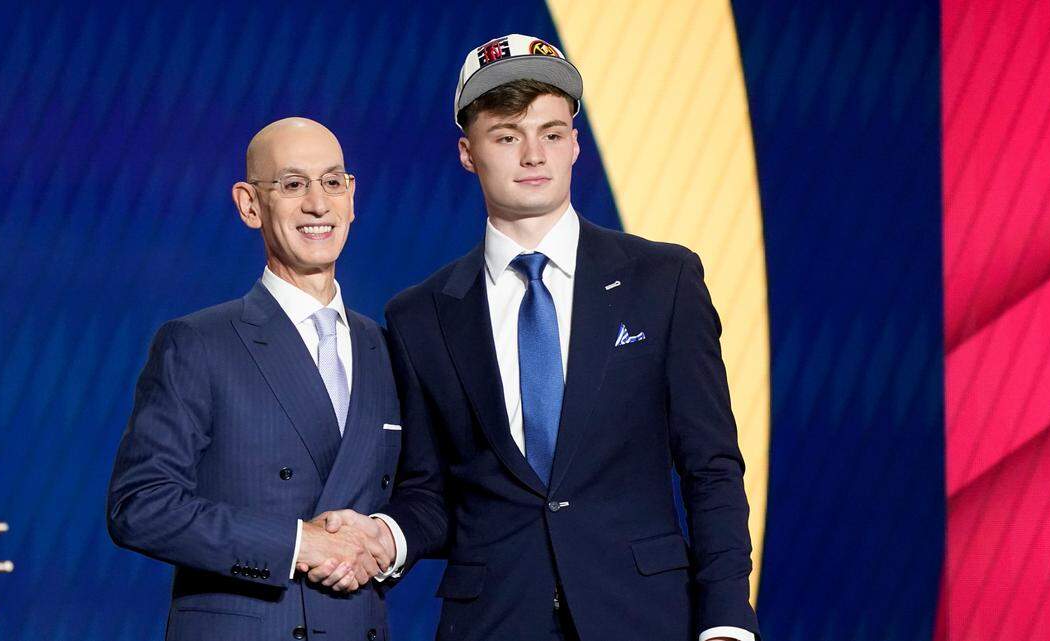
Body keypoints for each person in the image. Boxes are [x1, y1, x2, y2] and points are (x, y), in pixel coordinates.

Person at [325, 35, 761, 640]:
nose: (534, 155)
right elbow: (429, 490)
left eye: (552, 134)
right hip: (493, 621)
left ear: (576, 145)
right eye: (507, 136)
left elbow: (710, 465)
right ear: (467, 152)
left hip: (645, 615)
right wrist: (385, 536)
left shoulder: (663, 280)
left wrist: (726, 623)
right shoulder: (420, 316)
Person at [107, 117, 401, 641]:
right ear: (249, 204)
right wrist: (295, 545)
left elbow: (427, 494)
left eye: (332, 182)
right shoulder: (198, 342)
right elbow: (140, 506)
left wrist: (385, 539)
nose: (317, 204)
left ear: (352, 197)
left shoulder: (387, 348)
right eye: (292, 185)